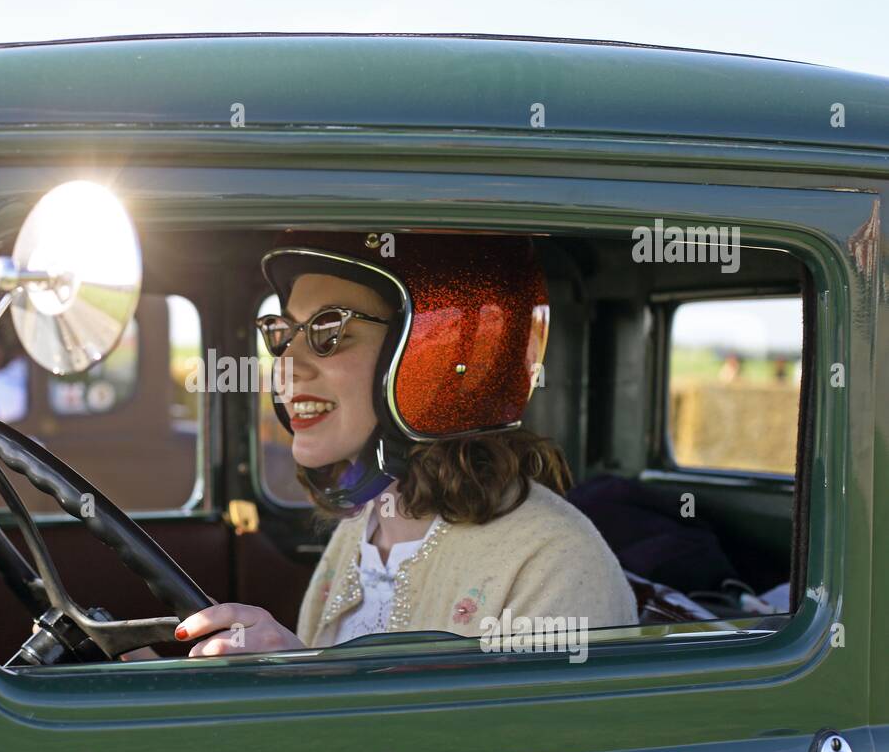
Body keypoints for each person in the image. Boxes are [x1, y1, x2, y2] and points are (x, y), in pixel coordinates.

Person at [172, 231, 637, 658]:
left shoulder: (554, 561)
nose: (286, 368)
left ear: (438, 353)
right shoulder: (366, 523)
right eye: (285, 334)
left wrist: (305, 678)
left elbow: (522, 748)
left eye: (329, 332)